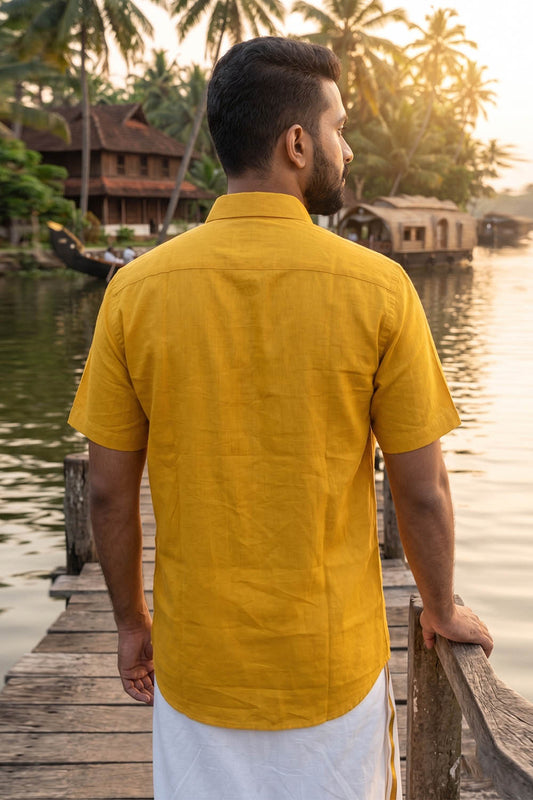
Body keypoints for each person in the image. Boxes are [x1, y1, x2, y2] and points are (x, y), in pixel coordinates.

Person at [68, 36, 493, 800]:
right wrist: (439, 606)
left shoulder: (136, 292)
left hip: (198, 667)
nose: (348, 149)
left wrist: (132, 623)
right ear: (296, 144)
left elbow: (104, 490)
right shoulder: (379, 289)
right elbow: (420, 488)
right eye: (337, 128)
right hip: (328, 666)